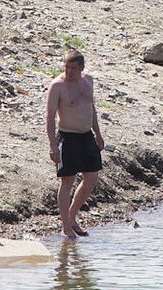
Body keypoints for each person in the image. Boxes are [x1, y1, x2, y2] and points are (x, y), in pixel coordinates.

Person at [45, 50, 104, 238]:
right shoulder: (57, 86)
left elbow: (91, 108)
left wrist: (98, 133)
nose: (69, 72)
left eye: (73, 68)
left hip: (86, 136)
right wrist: (53, 146)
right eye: (66, 67)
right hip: (67, 138)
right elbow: (49, 117)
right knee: (67, 181)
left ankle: (71, 218)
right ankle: (65, 227)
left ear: (81, 68)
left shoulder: (88, 81)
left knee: (91, 178)